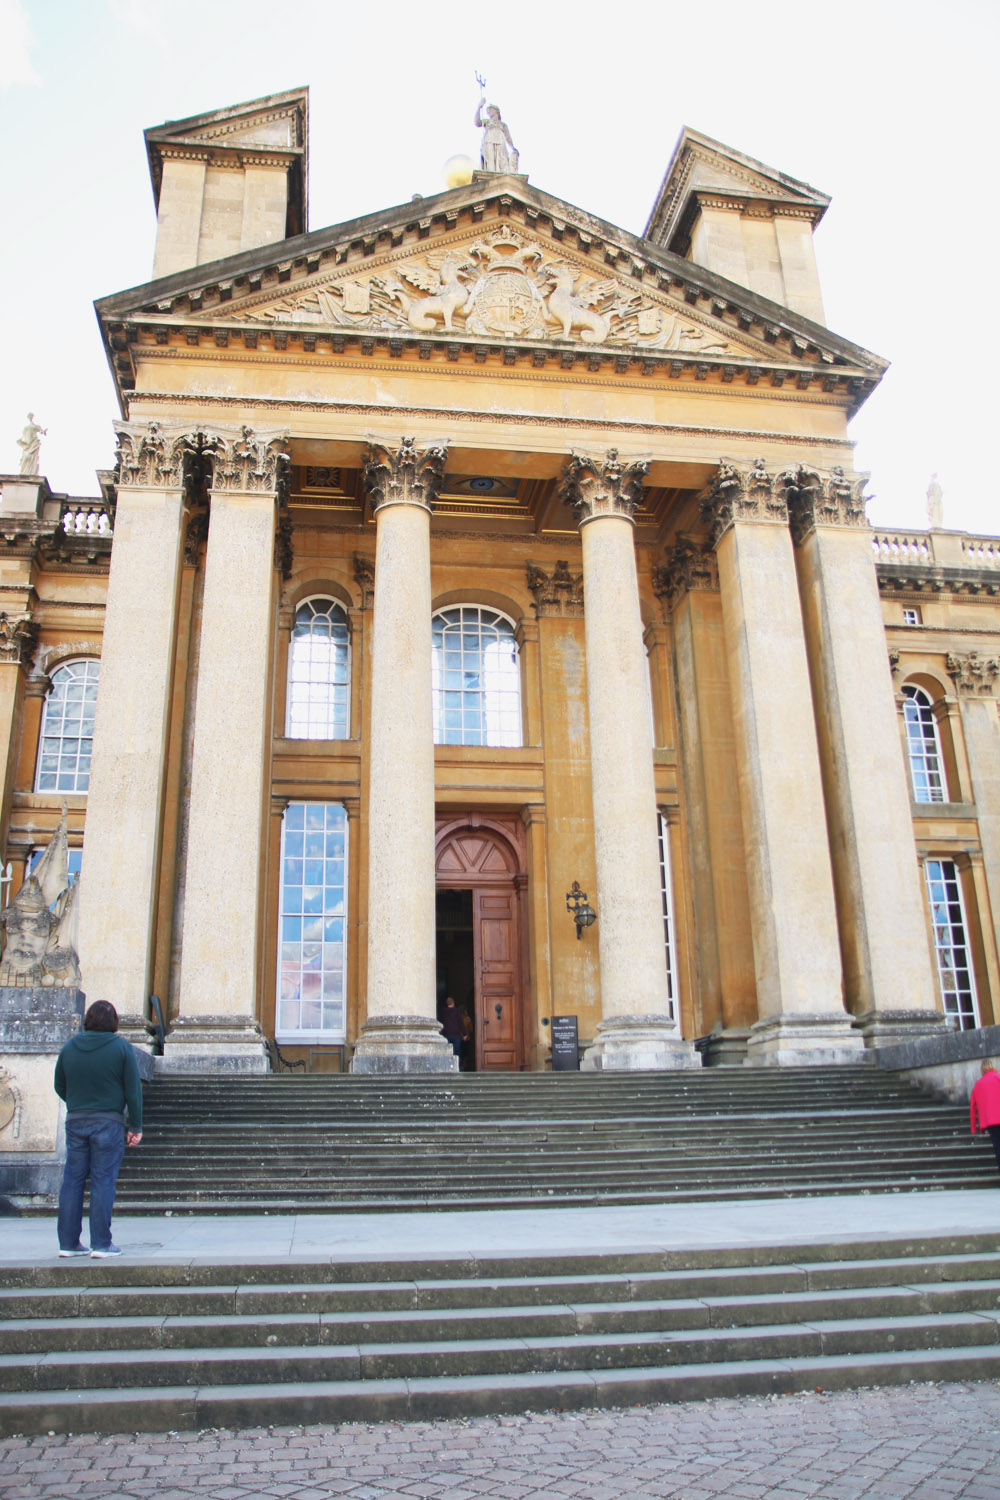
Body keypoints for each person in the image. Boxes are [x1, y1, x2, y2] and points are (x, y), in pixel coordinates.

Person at [54, 1000, 142, 1257]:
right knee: (103, 1181)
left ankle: (68, 1243)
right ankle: (101, 1243)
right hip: (108, 1122)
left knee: (72, 1181)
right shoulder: (122, 1048)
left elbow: (59, 1084)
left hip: (76, 1120)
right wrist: (135, 1124)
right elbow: (133, 1092)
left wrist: (77, 1103)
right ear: (113, 1022)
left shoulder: (69, 1048)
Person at [969, 1060, 1000, 1174]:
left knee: (998, 1146)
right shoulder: (998, 1078)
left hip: (991, 1121)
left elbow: (972, 1107)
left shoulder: (978, 1084)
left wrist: (973, 1128)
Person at [440, 994, 465, 1059]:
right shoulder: (457, 1011)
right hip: (456, 1035)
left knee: (446, 1052)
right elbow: (461, 1023)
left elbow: (440, 1023)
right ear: (453, 1003)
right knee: (456, 1053)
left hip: (446, 1035)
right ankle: (456, 1067)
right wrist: (464, 1034)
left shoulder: (443, 1012)